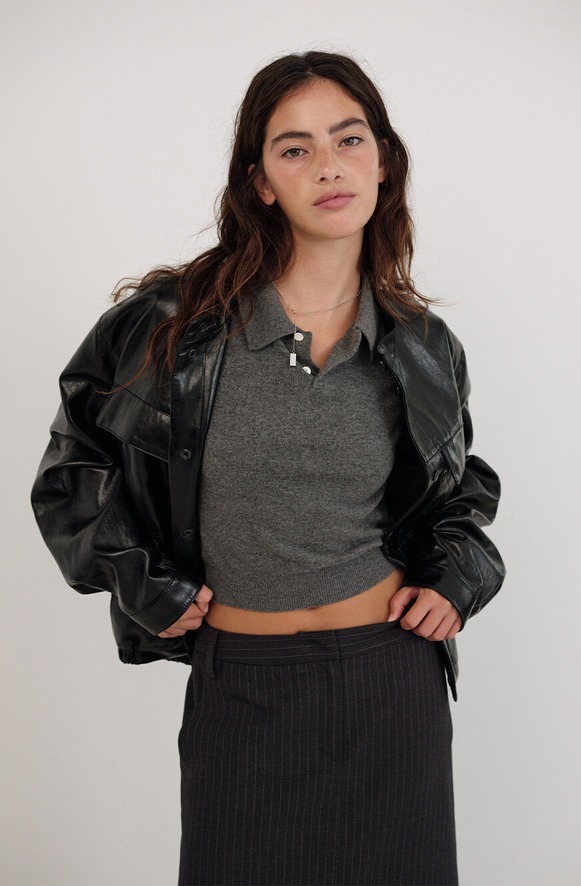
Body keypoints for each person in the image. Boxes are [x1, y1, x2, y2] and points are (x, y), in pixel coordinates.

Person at [31, 50, 505, 886]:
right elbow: (74, 469)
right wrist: (140, 579)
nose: (328, 165)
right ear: (259, 183)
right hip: (244, 689)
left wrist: (458, 572)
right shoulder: (170, 326)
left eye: (349, 139)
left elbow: (457, 486)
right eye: (295, 148)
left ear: (383, 160)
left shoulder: (424, 345)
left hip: (392, 684)